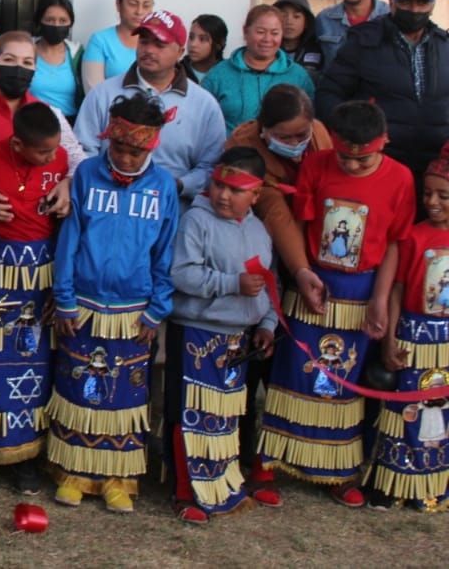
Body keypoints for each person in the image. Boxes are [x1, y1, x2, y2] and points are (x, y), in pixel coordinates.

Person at [257, 100, 414, 507]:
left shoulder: (400, 178)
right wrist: (303, 275)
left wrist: (379, 300)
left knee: (344, 384)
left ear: (385, 142)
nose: (354, 167)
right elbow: (302, 224)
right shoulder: (316, 165)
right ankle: (270, 463)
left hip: (362, 292)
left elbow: (396, 243)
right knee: (294, 372)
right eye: (346, 158)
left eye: (364, 160)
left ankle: (338, 470)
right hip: (314, 285)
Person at [48, 93, 177, 513]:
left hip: (133, 312)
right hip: (83, 305)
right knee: (78, 388)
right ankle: (73, 473)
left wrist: (157, 308)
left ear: (152, 145)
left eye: (134, 150)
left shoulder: (163, 188)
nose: (124, 156)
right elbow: (69, 243)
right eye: (118, 146)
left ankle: (117, 480)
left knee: (124, 397)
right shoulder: (85, 175)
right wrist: (64, 300)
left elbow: (165, 251)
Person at [166, 147, 278, 524]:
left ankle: (220, 483)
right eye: (217, 185)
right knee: (189, 413)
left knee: (224, 417)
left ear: (256, 195)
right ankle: (186, 492)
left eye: (234, 189)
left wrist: (267, 325)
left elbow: (268, 284)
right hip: (197, 331)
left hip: (238, 339)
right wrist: (232, 283)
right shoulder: (195, 221)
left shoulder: (260, 230)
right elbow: (181, 274)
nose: (223, 195)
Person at [226, 84, 332, 469]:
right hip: (264, 257)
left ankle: (297, 448)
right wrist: (301, 270)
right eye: (284, 137)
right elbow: (274, 211)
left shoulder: (319, 135)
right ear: (264, 129)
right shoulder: (243, 145)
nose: (296, 143)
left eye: (301, 135)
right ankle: (249, 452)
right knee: (258, 359)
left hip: (318, 249)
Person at [0, 101, 69, 495]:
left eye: (53, 150)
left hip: (41, 271)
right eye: (43, 153)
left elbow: (80, 174)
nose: (51, 157)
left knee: (37, 362)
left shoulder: (62, 159)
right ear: (16, 143)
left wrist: (69, 181)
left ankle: (28, 456)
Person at [75, 9, 225, 205]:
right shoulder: (103, 94)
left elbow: (211, 165)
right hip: (106, 204)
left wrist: (177, 185)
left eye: (159, 44)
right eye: (144, 41)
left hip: (173, 211)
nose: (149, 50)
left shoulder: (204, 105)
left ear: (180, 52)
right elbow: (82, 150)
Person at [372, 144, 449, 510]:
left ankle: (437, 484)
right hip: (412, 336)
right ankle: (394, 481)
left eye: (443, 195)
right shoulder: (413, 236)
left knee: (441, 412)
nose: (432, 202)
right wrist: (389, 340)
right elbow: (398, 290)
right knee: (404, 410)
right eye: (427, 194)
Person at [316, 0, 449, 179]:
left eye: (421, 3)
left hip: (436, 169)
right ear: (391, 2)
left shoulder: (445, 46)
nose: (414, 10)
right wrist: (353, 134)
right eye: (405, 2)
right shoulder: (363, 42)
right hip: (377, 164)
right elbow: (329, 93)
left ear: (432, 5)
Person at [0, 30, 84, 166]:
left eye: (27, 62)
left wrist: (67, 181)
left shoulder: (50, 113)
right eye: (9, 60)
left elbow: (78, 162)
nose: (18, 68)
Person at [201, 5, 315, 134]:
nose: (267, 39)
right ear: (245, 32)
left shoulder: (298, 76)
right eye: (260, 32)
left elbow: (311, 122)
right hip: (229, 152)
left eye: (275, 33)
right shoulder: (219, 74)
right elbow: (200, 119)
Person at [81, 0, 154, 92]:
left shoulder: (157, 43)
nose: (139, 11)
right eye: (133, 4)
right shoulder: (100, 41)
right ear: (118, 4)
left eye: (146, 6)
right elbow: (94, 92)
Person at [30, 0, 83, 121]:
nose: (56, 25)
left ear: (70, 24)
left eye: (63, 21)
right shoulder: (26, 51)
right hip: (32, 123)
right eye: (50, 20)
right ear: (39, 21)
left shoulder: (77, 54)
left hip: (70, 125)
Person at [274, 0, 324, 82]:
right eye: (283, 15)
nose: (289, 21)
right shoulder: (268, 50)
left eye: (296, 16)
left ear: (306, 23)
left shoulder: (319, 50)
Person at [181, 14, 228, 84]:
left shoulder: (228, 74)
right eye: (191, 37)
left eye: (203, 39)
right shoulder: (177, 72)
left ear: (219, 44)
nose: (193, 44)